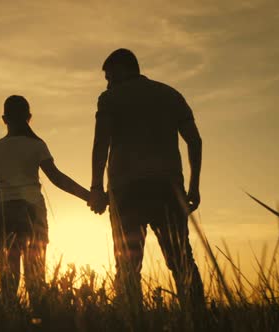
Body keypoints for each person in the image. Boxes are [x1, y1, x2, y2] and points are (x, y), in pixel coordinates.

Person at [88, 49, 205, 308]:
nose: (107, 82)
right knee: (182, 261)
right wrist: (194, 186)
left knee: (128, 266)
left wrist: (97, 187)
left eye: (109, 76)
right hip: (169, 190)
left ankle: (132, 322)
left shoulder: (109, 98)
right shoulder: (170, 94)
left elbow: (101, 144)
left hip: (126, 192)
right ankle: (200, 320)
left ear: (121, 69)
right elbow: (194, 140)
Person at [0, 95, 90, 306]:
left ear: (4, 119)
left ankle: (9, 322)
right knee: (35, 279)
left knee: (8, 282)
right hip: (32, 210)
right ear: (29, 117)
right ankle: (39, 320)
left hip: (3, 211)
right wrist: (88, 196)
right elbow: (57, 178)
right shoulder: (37, 145)